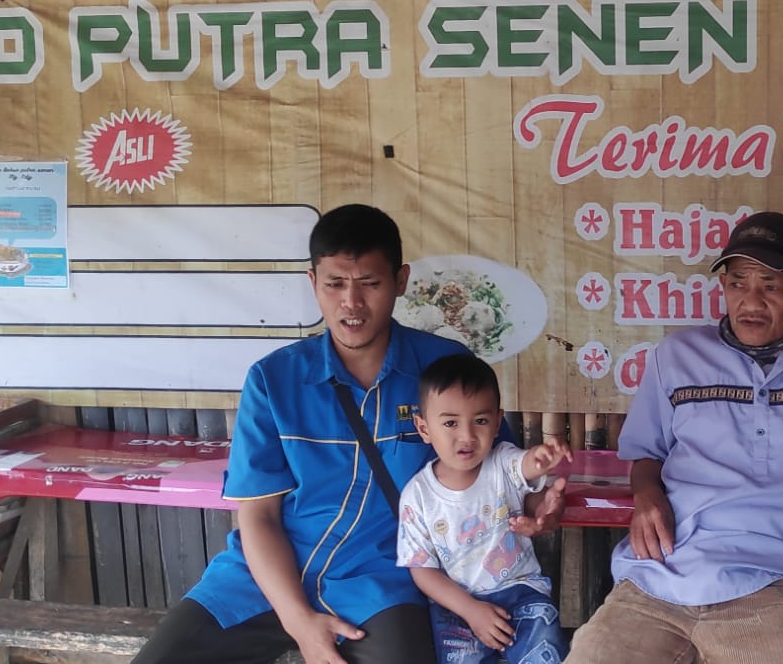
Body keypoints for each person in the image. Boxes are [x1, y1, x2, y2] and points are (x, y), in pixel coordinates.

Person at [132, 204, 563, 664]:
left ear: (400, 281)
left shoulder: (444, 370)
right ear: (313, 282)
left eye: (369, 284)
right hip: (261, 578)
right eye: (335, 284)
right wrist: (299, 621)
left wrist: (536, 508)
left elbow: (496, 471)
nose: (351, 303)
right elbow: (258, 517)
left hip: (380, 583)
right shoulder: (273, 380)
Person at [566, 211, 783, 664]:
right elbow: (646, 453)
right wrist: (647, 496)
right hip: (659, 577)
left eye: (770, 286)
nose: (751, 301)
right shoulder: (677, 355)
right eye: (738, 283)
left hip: (778, 582)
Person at [397, 353, 572, 664]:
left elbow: (526, 464)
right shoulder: (418, 496)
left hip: (521, 594)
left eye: (480, 421)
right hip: (458, 607)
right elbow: (422, 570)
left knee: (544, 648)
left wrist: (542, 457)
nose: (466, 436)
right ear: (424, 428)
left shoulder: (502, 462)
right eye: (450, 423)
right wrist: (470, 610)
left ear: (497, 422)